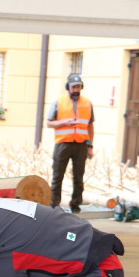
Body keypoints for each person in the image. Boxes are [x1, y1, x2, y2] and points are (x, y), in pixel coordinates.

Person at [47, 73, 94, 213]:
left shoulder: (87, 103)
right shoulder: (58, 102)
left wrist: (90, 146)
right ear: (68, 87)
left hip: (81, 144)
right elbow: (49, 123)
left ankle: (76, 204)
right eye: (73, 87)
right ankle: (54, 205)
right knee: (57, 176)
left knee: (79, 177)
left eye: (78, 87)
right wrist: (64, 122)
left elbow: (90, 126)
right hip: (63, 144)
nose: (76, 90)